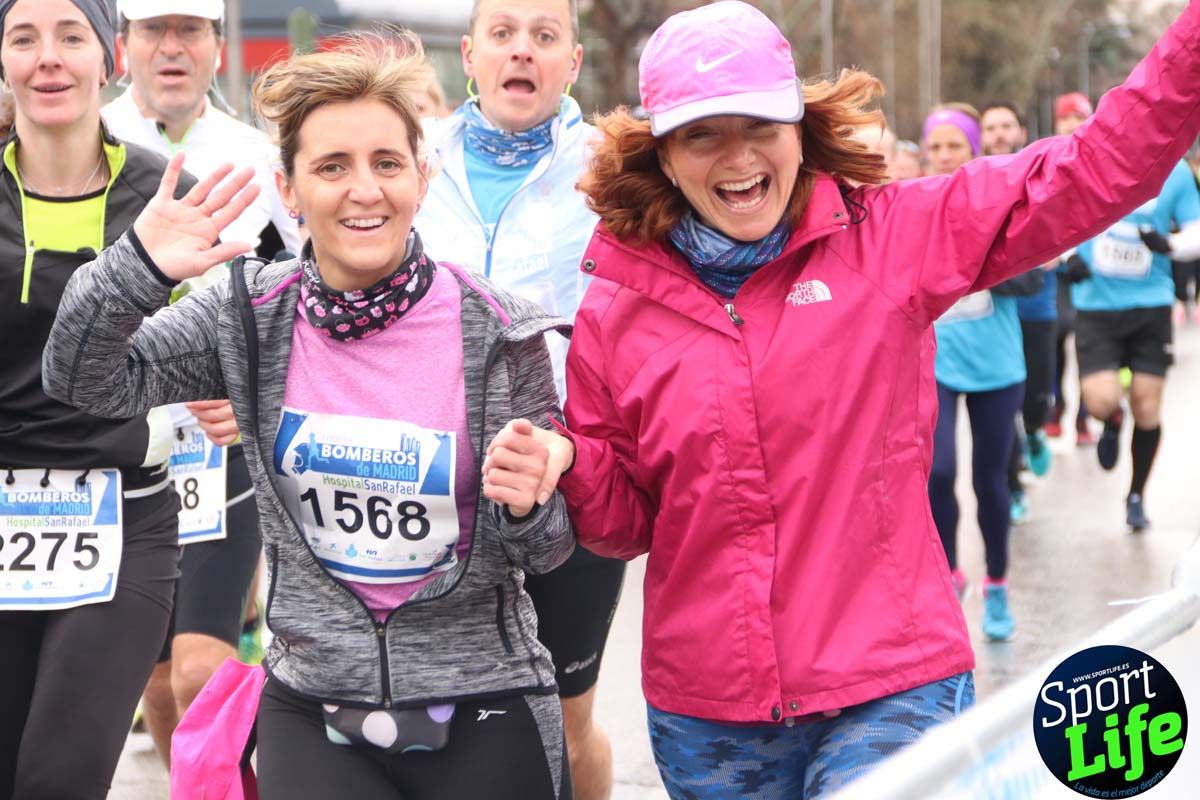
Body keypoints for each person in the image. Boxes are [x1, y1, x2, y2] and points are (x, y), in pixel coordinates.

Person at [494, 1, 1200, 796]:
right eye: (702, 133)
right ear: (661, 152)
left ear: (800, 125)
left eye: (759, 123)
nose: (738, 157)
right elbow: (623, 525)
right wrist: (570, 464)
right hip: (711, 714)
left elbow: (1095, 167)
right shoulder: (617, 306)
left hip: (891, 684)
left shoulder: (894, 237)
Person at [43, 31, 576, 800]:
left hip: (486, 702)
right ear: (287, 190)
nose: (364, 190)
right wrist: (138, 267)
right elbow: (80, 379)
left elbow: (551, 551)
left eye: (386, 164)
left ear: (421, 179)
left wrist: (530, 507)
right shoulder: (247, 314)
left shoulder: (499, 329)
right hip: (315, 708)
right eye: (332, 166)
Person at [416, 2, 623, 797]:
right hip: (433, 474)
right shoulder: (411, 155)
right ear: (470, 55)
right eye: (503, 34)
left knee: (566, 722)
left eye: (544, 36)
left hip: (569, 471)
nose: (522, 51)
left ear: (572, 62)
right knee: (445, 716)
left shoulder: (615, 166)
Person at [0, 0, 192, 796]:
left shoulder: (165, 191)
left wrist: (220, 398)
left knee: (58, 780)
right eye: (23, 38)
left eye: (71, 36)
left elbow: (248, 321)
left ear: (110, 57)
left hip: (124, 521)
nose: (49, 58)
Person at [101, 0, 300, 765]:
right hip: (119, 443)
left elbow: (296, 294)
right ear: (123, 46)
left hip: (222, 444)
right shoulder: (90, 145)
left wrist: (246, 381)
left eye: (191, 31)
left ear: (220, 48)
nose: (172, 48)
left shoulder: (256, 155)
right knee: (149, 682)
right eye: (155, 31)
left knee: (198, 667)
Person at [922, 103, 1041, 639]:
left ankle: (996, 581)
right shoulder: (914, 206)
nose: (944, 156)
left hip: (997, 365)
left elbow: (1031, 280)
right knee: (938, 472)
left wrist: (975, 264)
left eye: (954, 147)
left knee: (990, 481)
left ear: (973, 153)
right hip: (938, 363)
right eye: (936, 147)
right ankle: (949, 576)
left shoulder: (997, 202)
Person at [1066, 136, 1200, 532]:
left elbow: (1196, 230)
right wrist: (1069, 256)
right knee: (1100, 401)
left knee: (1147, 405)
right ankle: (1110, 419)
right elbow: (1057, 217)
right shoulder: (1088, 162)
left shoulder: (1174, 172)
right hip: (1096, 304)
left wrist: (1170, 244)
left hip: (1151, 304)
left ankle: (1136, 494)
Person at [980, 101, 1056, 523]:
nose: (999, 133)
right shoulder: (972, 184)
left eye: (1007, 125)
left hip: (1038, 307)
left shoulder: (1040, 180)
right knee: (1002, 408)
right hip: (994, 315)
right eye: (991, 126)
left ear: (1021, 132)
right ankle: (1013, 486)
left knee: (1034, 400)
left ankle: (1036, 430)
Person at [1046, 92, 1095, 445]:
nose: (1072, 125)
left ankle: (1084, 417)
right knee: (1060, 337)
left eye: (1079, 117)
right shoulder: (1049, 160)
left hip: (1096, 272)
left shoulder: (1101, 160)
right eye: (1066, 118)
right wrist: (1065, 256)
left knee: (1089, 346)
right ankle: (1057, 406)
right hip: (1062, 270)